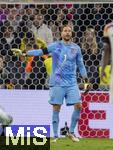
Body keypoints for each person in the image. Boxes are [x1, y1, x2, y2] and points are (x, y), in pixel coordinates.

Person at [11, 24, 90, 142]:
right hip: (57, 82)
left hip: (72, 82)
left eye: (69, 31)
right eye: (65, 31)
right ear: (61, 33)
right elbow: (40, 51)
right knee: (56, 108)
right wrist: (25, 53)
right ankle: (56, 136)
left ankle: (72, 132)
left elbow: (81, 65)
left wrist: (86, 80)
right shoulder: (55, 46)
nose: (67, 33)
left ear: (72, 33)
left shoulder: (76, 48)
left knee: (78, 106)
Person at [101, 22, 113, 102]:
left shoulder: (108, 27)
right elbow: (107, 49)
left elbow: (107, 50)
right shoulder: (108, 28)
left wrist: (103, 69)